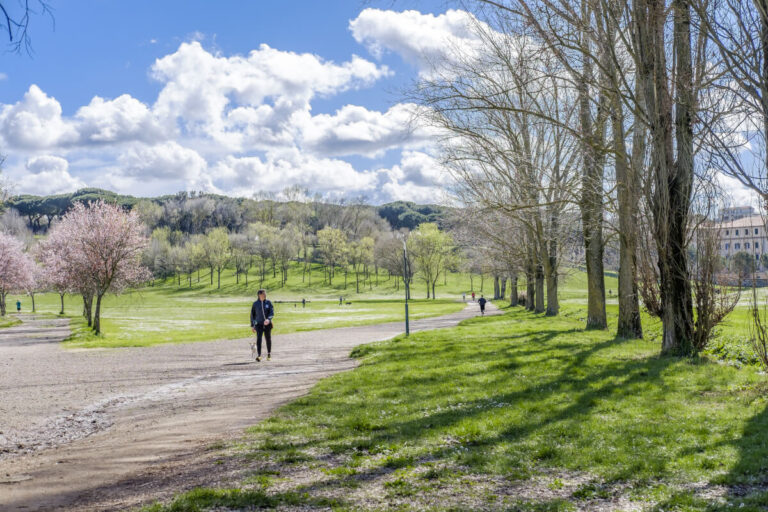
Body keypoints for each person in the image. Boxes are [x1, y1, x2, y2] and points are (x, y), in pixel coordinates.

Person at [250, 289, 275, 362]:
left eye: (265, 294)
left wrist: (268, 319)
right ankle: (259, 355)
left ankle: (269, 354)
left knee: (268, 339)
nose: (265, 295)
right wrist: (253, 325)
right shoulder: (255, 304)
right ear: (259, 295)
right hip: (259, 325)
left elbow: (271, 312)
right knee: (259, 339)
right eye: (263, 294)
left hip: (267, 325)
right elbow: (252, 316)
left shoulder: (268, 302)